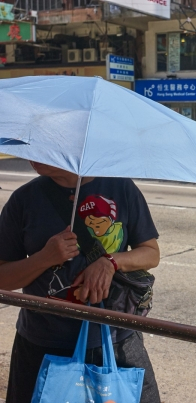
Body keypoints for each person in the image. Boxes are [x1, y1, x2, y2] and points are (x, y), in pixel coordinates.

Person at [0, 162, 161, 403]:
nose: (34, 157)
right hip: (43, 342)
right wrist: (45, 258)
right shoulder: (24, 199)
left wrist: (110, 262)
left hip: (115, 338)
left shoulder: (121, 187)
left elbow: (151, 253)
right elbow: (3, 278)